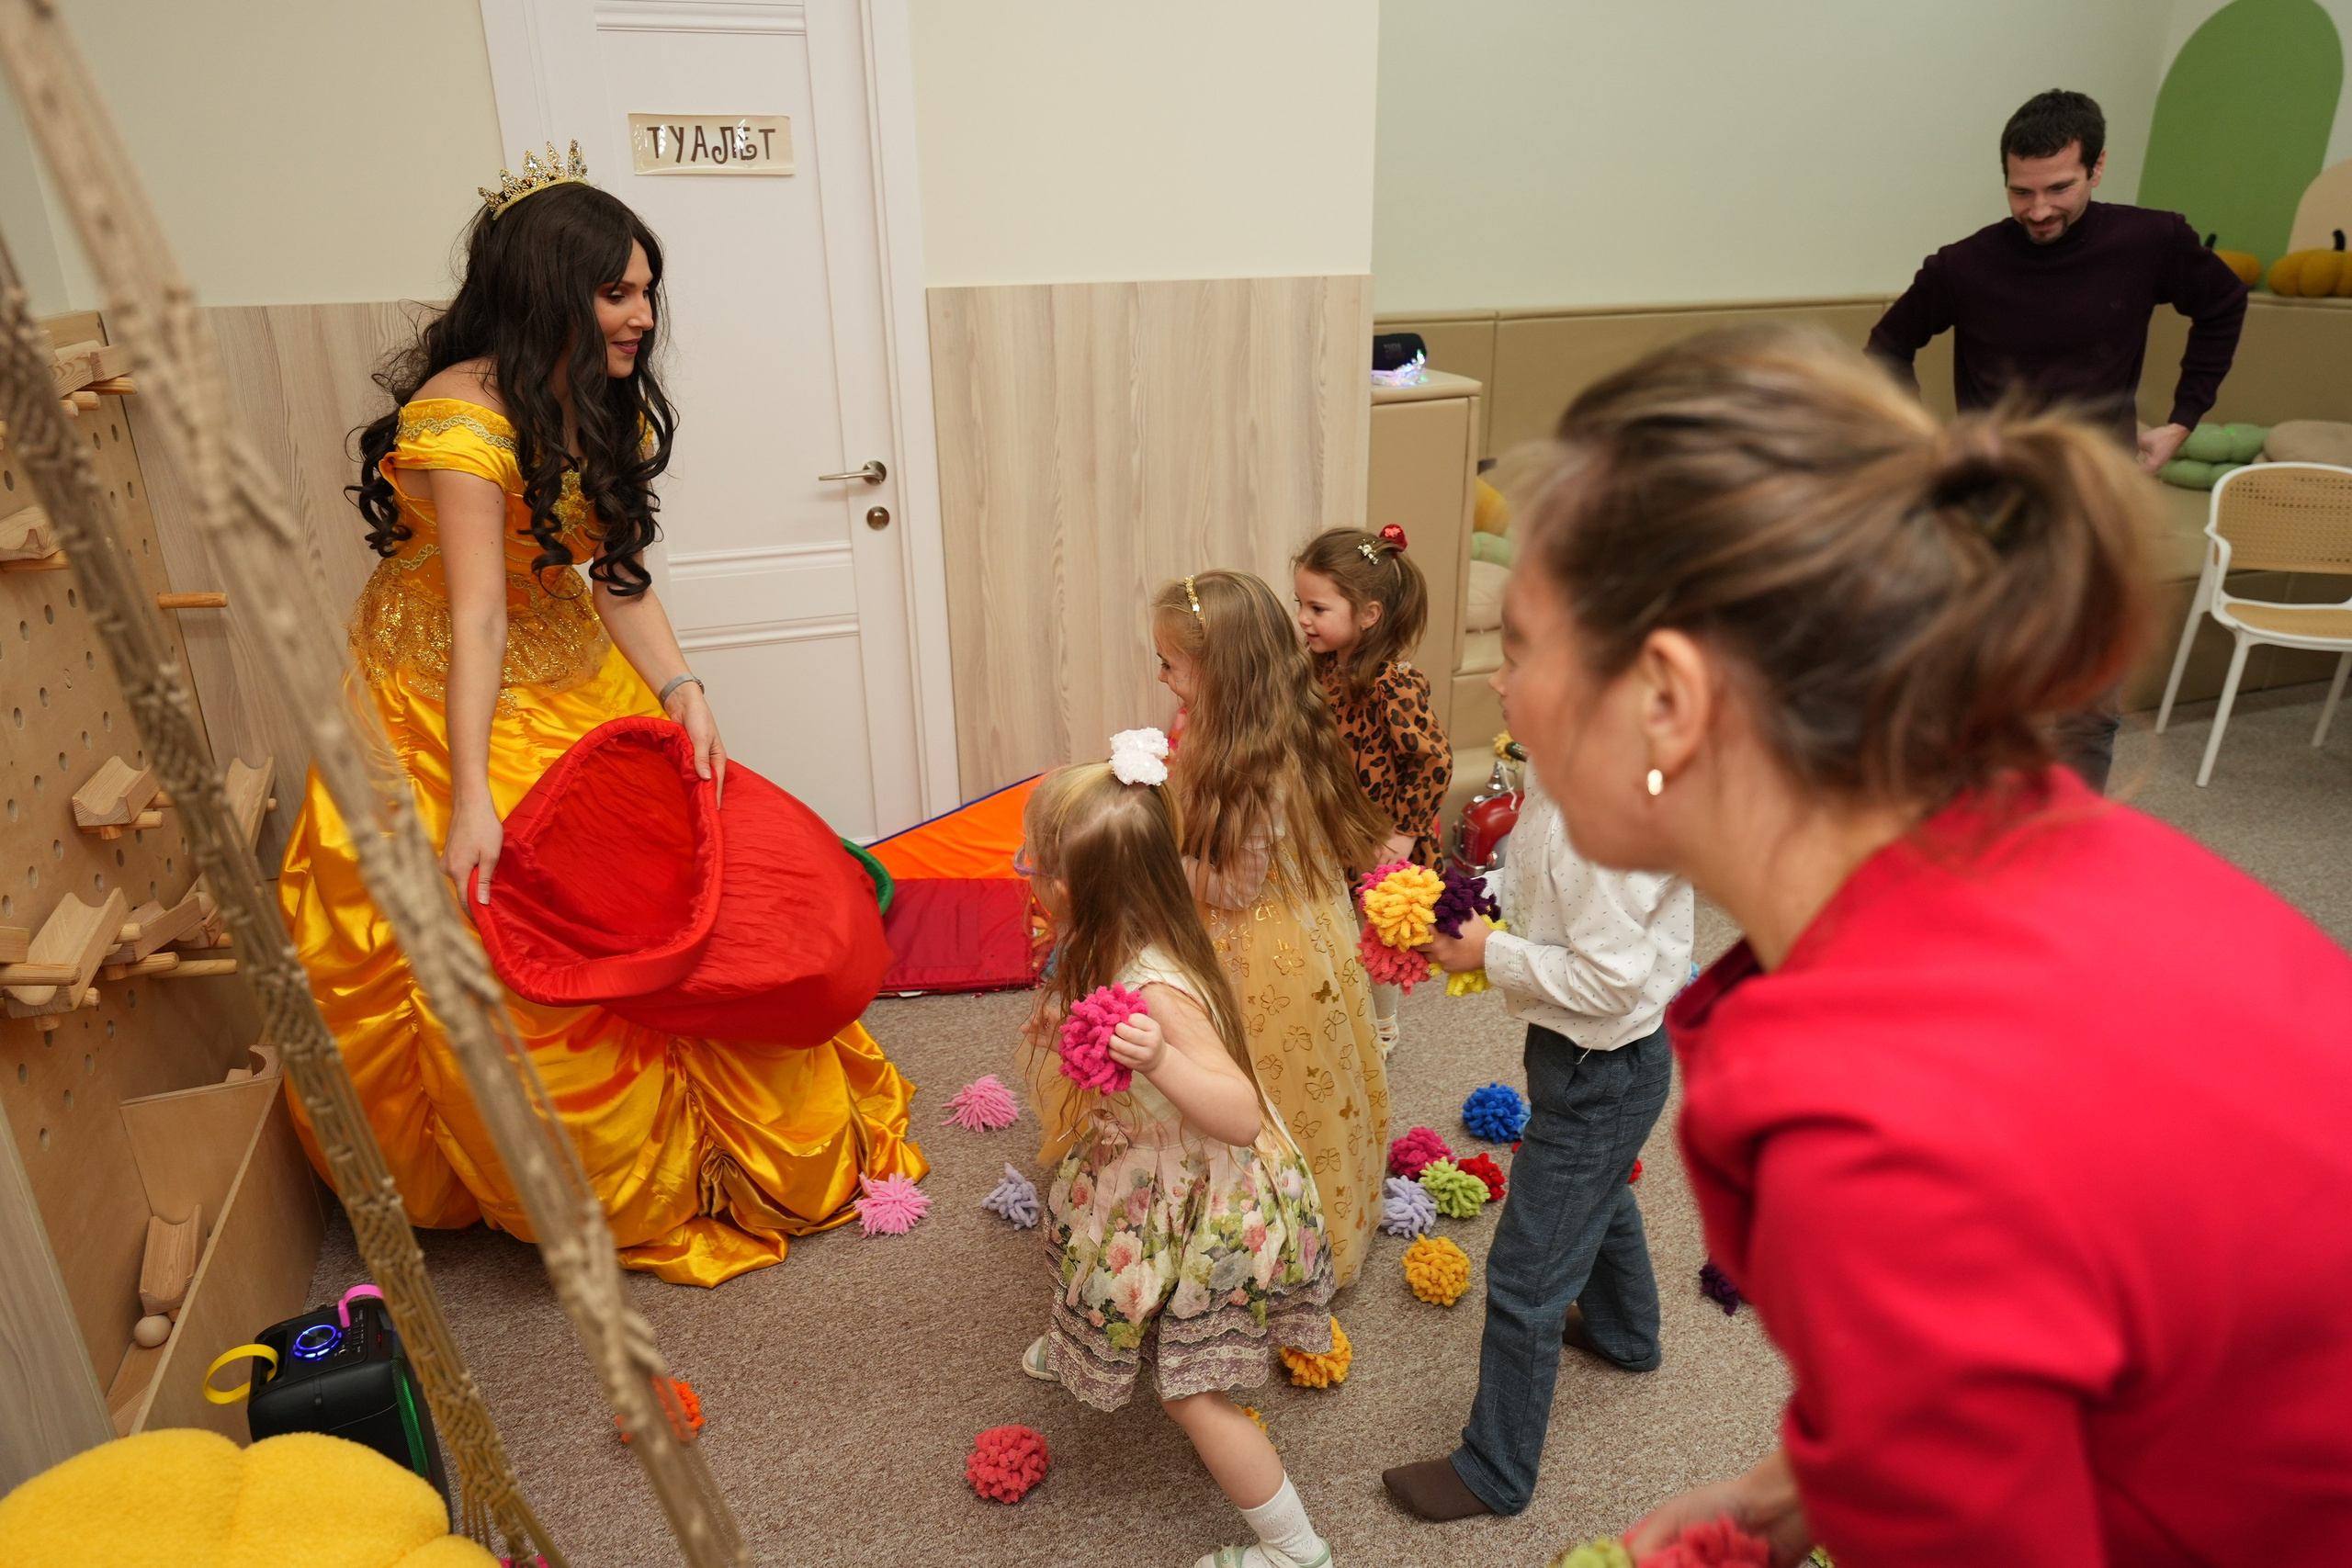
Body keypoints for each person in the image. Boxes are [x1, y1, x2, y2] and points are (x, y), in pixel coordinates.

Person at [1498, 324, 2352, 1565]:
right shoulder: (2042, 835)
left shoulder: (1864, 1122)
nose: (1507, 694)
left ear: (1670, 700)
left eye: (1521, 646)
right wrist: (1804, 1482)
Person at [277, 155, 925, 1287]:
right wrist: (472, 794)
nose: (641, 315)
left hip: (570, 669)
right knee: (521, 924)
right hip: (443, 697)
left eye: (645, 290)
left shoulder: (589, 402)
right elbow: (477, 618)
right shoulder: (459, 420)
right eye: (617, 293)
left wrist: (683, 690)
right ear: (547, 289)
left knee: (675, 882)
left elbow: (612, 575)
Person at [1865, 88, 2248, 791]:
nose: (2038, 209)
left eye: (2058, 188)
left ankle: (2070, 848)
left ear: (2098, 167)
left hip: (2098, 504)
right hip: (1987, 511)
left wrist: (2183, 420)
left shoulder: (2151, 240)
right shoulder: (1963, 265)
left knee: (2085, 705)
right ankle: (1968, 844)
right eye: (2021, 191)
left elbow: (2224, 303)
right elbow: (1888, 345)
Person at [1014, 756, 1340, 1568]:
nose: (1025, 872)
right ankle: (1091, 1332)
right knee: (1085, 1241)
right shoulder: (1108, 932)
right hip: (1147, 1164)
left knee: (1192, 1391)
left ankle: (1296, 1550)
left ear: (1075, 888)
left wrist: (1157, 1055)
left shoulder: (1158, 988)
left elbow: (1237, 1114)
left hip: (1207, 1189)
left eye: (1036, 863)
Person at [1378, 693, 1692, 1521]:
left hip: (1605, 1063)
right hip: (1585, 1061)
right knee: (1594, 1193)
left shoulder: (1606, 817)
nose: (1505, 680)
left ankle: (1495, 1469)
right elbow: (1542, 889)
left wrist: (1495, 951)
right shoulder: (1563, 763)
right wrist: (1469, 901)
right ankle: (1628, 1336)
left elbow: (1609, 976)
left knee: (1526, 1276)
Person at [1151, 570, 1391, 1288]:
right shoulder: (1244, 726)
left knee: (1265, 1088)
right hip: (1298, 924)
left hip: (1259, 945)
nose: (1160, 675)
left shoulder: (1251, 766)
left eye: (1169, 663)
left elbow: (1232, 885)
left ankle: (1274, 1243)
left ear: (1217, 670)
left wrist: (1154, 856)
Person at [1294, 525, 1453, 1055]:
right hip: (1333, 827)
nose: (1303, 619)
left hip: (1381, 837)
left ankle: (1381, 1027)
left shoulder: (1393, 683)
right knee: (1335, 924)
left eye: (1317, 608)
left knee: (1377, 935)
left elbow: (1433, 759)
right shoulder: (1321, 669)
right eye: (1301, 605)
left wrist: (1405, 832)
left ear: (1368, 614)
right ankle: (1345, 1013)